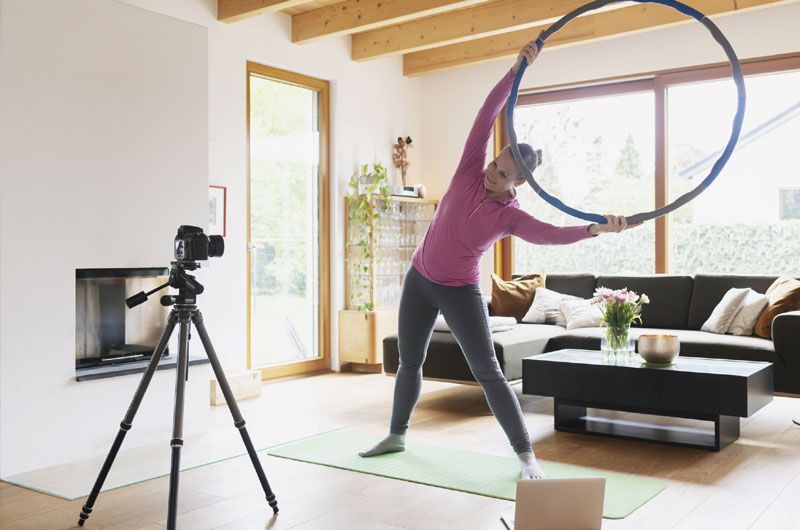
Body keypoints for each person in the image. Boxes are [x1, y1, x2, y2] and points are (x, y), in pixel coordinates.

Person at [359, 40, 641, 480]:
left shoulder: (510, 216)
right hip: (419, 278)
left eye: (503, 173)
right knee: (410, 361)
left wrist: (596, 228)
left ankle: (526, 456)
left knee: (488, 372)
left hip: (459, 290)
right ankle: (396, 435)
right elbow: (487, 112)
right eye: (495, 164)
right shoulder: (468, 169)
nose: (492, 172)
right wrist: (514, 71)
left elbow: (552, 235)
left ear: (518, 183)